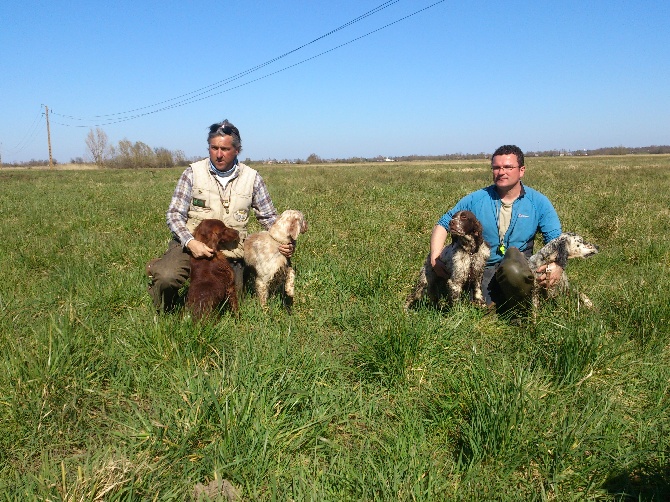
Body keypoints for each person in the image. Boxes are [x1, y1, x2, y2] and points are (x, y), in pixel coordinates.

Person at [147, 119, 293, 312]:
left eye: (224, 149)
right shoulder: (192, 173)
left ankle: (236, 276)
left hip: (230, 252)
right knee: (167, 277)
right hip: (191, 247)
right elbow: (174, 215)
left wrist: (285, 242)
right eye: (213, 148)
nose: (218, 154)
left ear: (237, 150)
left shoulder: (252, 178)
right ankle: (163, 291)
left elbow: (268, 218)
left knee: (229, 301)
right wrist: (190, 242)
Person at [430, 144, 563, 309]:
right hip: (485, 266)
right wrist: (435, 257)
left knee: (513, 271)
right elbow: (444, 223)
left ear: (521, 170)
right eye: (496, 167)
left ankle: (521, 311)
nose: (501, 172)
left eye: (508, 167)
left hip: (519, 265)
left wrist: (557, 265)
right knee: (479, 307)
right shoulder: (477, 199)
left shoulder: (539, 202)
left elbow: (556, 240)